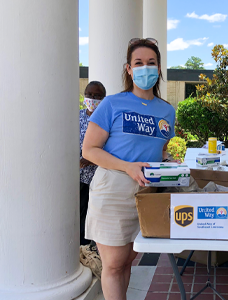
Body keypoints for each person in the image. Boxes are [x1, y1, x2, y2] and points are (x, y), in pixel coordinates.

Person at [82, 38, 175, 300]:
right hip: (113, 189)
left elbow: (159, 149)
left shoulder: (167, 111)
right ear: (129, 69)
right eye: (139, 63)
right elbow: (89, 150)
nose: (145, 68)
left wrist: (168, 163)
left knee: (127, 263)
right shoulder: (112, 104)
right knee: (113, 265)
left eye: (151, 62)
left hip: (147, 193)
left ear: (158, 69)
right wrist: (128, 167)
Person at [80, 81, 106, 246]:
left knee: (98, 212)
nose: (92, 98)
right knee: (82, 211)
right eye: (89, 95)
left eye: (97, 96)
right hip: (81, 176)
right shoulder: (78, 117)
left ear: (104, 98)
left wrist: (92, 157)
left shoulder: (107, 118)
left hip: (101, 174)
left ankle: (97, 246)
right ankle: (83, 247)